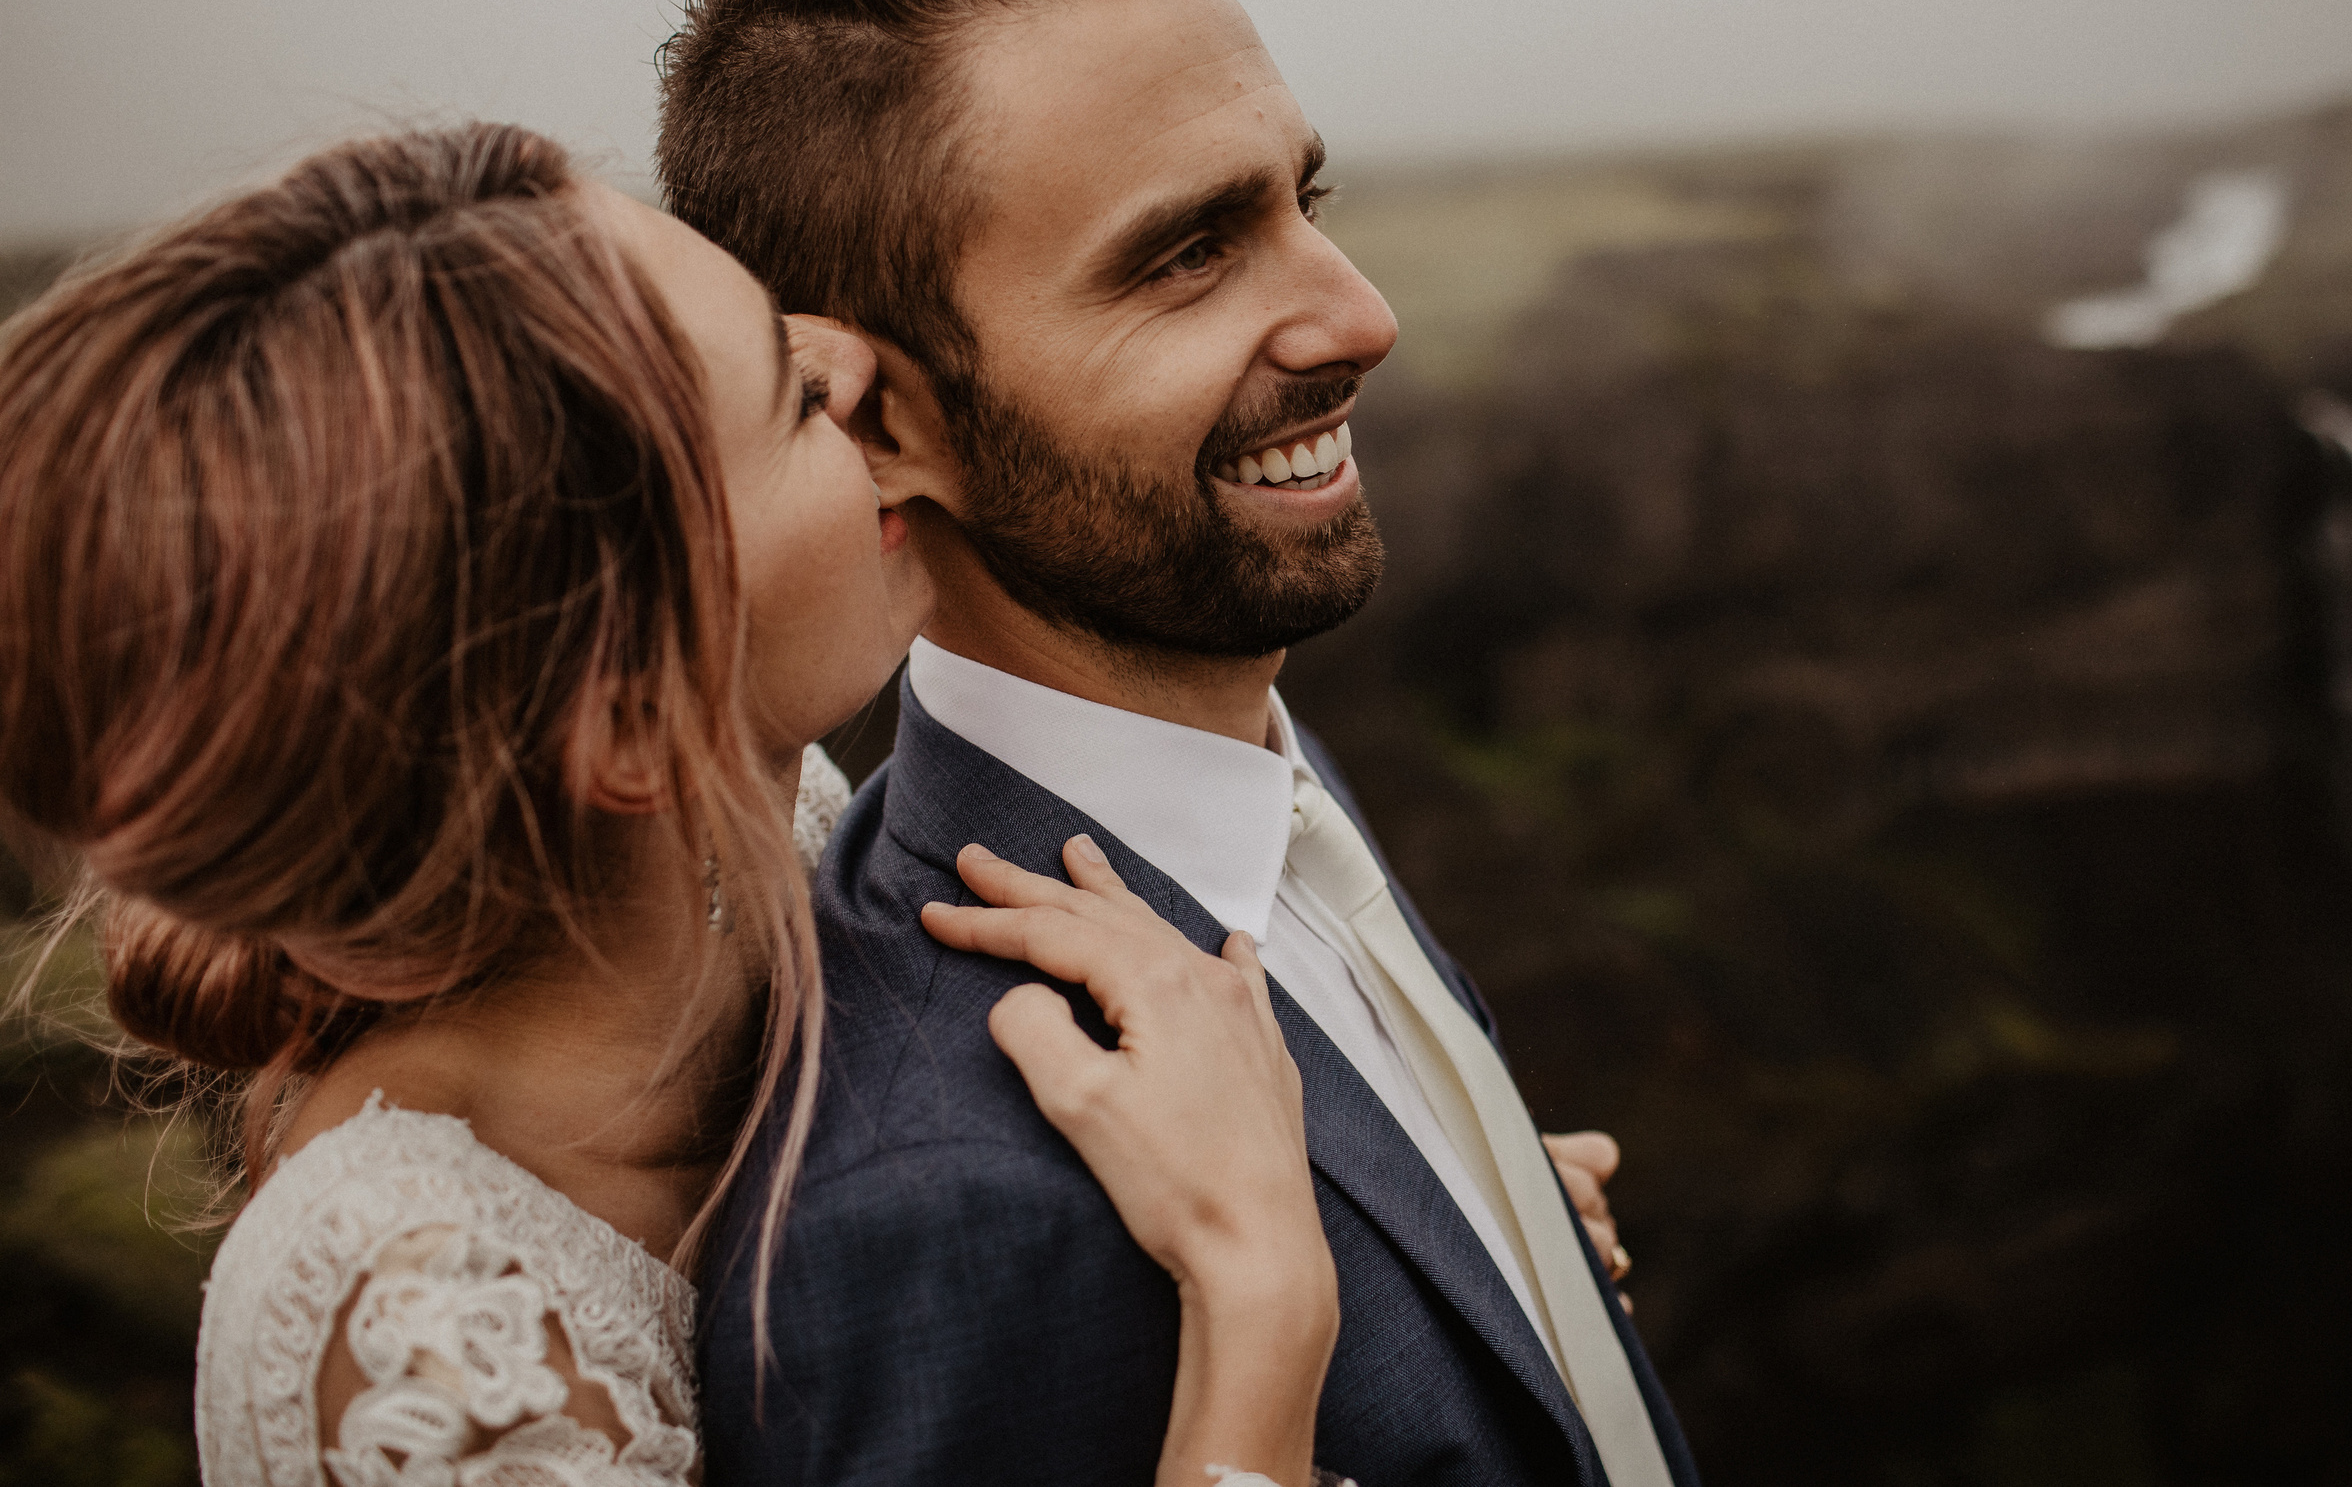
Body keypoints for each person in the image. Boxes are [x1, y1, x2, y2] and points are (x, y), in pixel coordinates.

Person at [0, 123, 1348, 1487]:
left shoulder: (793, 828)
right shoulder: (416, 1340)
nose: (849, 352)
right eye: (789, 399)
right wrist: (1261, 1295)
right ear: (635, 724)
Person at [657, 0, 1700, 1487]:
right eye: (1190, 252)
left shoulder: (1245, 751)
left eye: (1307, 197)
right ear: (887, 418)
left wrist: (1489, 1240)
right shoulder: (930, 1216)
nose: (1360, 316)